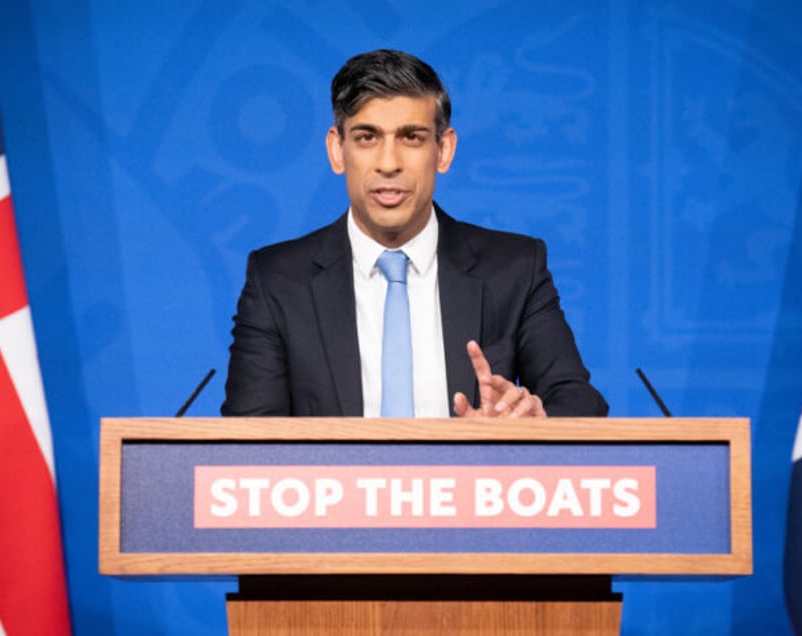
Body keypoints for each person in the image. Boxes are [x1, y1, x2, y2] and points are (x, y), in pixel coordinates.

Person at [222, 49, 607, 419]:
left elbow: (577, 403)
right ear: (337, 151)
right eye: (367, 137)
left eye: (411, 137)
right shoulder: (276, 280)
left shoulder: (516, 269)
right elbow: (248, 442)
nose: (389, 163)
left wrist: (526, 425)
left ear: (444, 150)